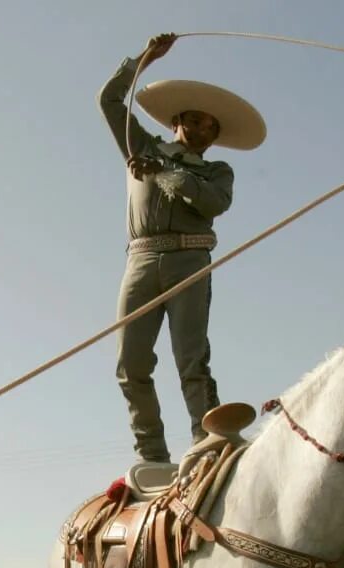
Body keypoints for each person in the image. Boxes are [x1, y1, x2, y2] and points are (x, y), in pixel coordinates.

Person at [98, 33, 267, 463]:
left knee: (191, 360)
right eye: (196, 122)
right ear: (177, 121)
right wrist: (144, 60)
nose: (204, 132)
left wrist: (165, 173)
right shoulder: (143, 145)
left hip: (190, 260)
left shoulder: (217, 171)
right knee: (130, 363)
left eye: (212, 128)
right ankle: (152, 454)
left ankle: (207, 443)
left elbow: (214, 203)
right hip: (140, 258)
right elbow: (110, 102)